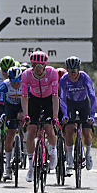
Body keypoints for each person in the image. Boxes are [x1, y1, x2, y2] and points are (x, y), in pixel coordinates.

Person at [21, 50, 59, 182]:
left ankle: (53, 152)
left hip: (48, 100)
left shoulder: (52, 73)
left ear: (44, 66)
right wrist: (26, 115)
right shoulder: (26, 75)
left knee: (49, 128)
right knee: (31, 131)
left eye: (40, 66)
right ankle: (31, 166)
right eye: (35, 66)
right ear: (31, 65)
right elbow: (24, 97)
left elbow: (55, 97)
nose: (37, 69)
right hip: (34, 101)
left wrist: (55, 116)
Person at [59, 56, 96, 170]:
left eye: (74, 71)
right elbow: (62, 98)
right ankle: (69, 157)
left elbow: (92, 97)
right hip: (70, 103)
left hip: (83, 103)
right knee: (69, 129)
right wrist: (65, 114)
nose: (72, 74)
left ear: (78, 69)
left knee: (86, 131)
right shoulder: (64, 79)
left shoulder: (85, 78)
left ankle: (88, 153)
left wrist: (92, 116)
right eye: (69, 71)